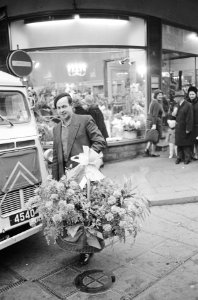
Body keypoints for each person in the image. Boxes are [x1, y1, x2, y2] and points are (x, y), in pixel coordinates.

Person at [52, 93, 106, 265]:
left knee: (86, 213)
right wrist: (56, 182)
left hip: (84, 176)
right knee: (73, 213)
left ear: (71, 106)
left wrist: (87, 158)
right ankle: (76, 244)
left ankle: (87, 250)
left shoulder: (84, 120)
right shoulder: (56, 129)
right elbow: (55, 157)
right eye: (58, 107)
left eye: (64, 106)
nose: (61, 110)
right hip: (66, 178)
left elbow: (100, 141)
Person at [174, 90, 194, 164]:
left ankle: (187, 158)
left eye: (176, 97)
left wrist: (188, 128)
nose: (175, 99)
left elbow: (190, 118)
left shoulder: (188, 105)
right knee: (179, 144)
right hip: (178, 127)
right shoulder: (177, 105)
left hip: (184, 127)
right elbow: (174, 115)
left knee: (186, 144)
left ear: (180, 97)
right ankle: (179, 157)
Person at [143, 89, 164, 157]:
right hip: (154, 121)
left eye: (161, 95)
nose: (160, 96)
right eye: (159, 95)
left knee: (151, 136)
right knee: (155, 137)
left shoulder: (153, 102)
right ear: (156, 95)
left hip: (150, 120)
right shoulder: (156, 103)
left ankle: (147, 150)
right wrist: (154, 124)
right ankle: (153, 152)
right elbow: (155, 115)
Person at [187, 86, 198, 160]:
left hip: (197, 125)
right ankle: (191, 154)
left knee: (197, 141)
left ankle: (196, 154)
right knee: (190, 140)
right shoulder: (186, 102)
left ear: (196, 94)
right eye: (190, 94)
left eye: (193, 94)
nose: (191, 96)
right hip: (189, 125)